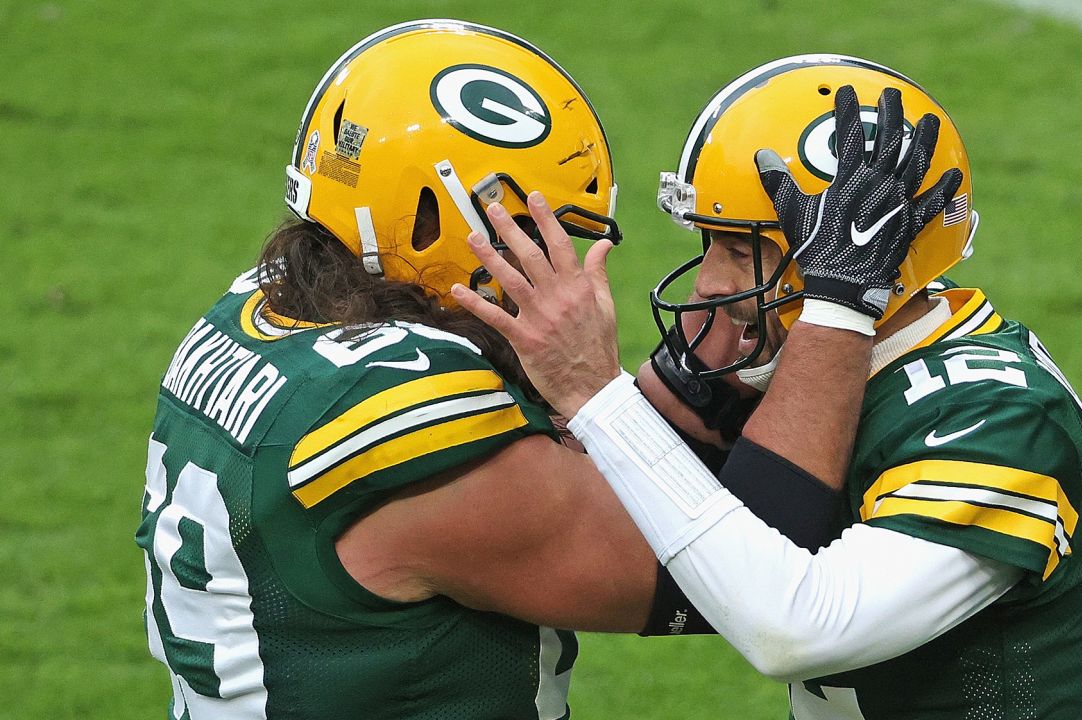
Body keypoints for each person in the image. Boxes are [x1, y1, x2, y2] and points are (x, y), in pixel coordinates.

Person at [135, 23, 900, 719]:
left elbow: (619, 473)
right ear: (436, 217)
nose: (560, 256)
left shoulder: (256, 311)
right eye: (545, 228)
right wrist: (838, 299)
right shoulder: (403, 417)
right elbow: (743, 572)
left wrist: (697, 368)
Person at [454, 55, 1082, 719]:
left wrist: (598, 394)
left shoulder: (996, 419)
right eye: (709, 246)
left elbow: (795, 626)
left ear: (865, 254)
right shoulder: (825, 360)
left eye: (738, 249)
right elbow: (619, 484)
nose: (712, 284)